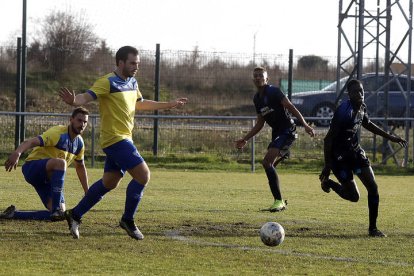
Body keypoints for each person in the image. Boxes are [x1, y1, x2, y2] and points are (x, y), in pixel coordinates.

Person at [59, 45, 187, 240]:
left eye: (138, 63)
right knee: (143, 175)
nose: (136, 67)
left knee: (109, 182)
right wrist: (75, 101)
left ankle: (75, 214)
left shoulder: (133, 83)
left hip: (124, 138)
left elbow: (140, 104)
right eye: (132, 63)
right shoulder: (107, 82)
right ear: (120, 62)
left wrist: (169, 104)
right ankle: (128, 219)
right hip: (115, 139)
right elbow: (87, 96)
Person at [319, 79, 408, 237]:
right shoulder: (343, 111)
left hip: (355, 152)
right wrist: (327, 166)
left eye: (361, 91)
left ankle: (373, 229)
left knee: (373, 187)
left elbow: (367, 123)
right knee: (354, 197)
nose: (360, 94)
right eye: (356, 92)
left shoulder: (362, 107)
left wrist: (391, 137)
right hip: (339, 157)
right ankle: (328, 182)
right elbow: (328, 139)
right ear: (349, 94)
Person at [235, 67, 315, 212]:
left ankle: (279, 201)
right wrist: (245, 139)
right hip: (277, 132)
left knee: (266, 162)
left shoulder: (274, 91)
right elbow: (260, 123)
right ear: (253, 80)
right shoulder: (256, 99)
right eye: (256, 76)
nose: (258, 77)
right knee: (268, 164)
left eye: (261, 75)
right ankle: (279, 200)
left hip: (287, 130)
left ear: (267, 79)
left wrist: (305, 125)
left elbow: (291, 108)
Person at [1, 107, 89, 221]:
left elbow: (80, 167)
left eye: (85, 122)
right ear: (71, 119)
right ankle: (56, 209)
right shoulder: (58, 133)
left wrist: (87, 191)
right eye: (79, 120)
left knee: (59, 215)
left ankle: (14, 214)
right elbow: (31, 141)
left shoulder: (80, 144)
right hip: (32, 168)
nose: (82, 124)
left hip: (48, 179)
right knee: (61, 163)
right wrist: (17, 153)